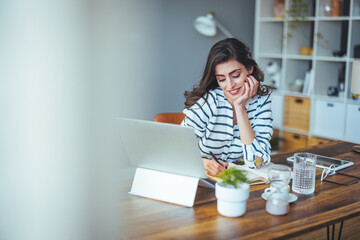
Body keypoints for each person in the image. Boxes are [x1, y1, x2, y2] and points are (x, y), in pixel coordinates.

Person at [181, 38, 273, 178]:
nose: (230, 85)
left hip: (236, 182)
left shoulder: (261, 101)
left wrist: (240, 108)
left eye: (235, 75)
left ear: (249, 69)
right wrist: (204, 163)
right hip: (200, 179)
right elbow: (177, 149)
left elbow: (256, 161)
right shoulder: (209, 102)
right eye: (221, 79)